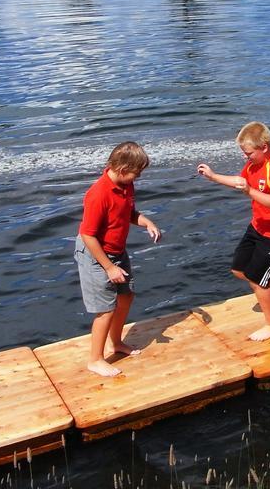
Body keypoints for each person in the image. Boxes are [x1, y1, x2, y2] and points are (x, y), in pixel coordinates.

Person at [197, 122, 270, 342]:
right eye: (244, 153)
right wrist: (214, 177)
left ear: (264, 147)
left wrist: (250, 191)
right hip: (258, 225)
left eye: (249, 153)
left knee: (257, 278)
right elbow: (240, 182)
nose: (246, 157)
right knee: (239, 269)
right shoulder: (254, 164)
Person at [75, 141, 162, 377]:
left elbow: (128, 213)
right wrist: (109, 267)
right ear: (123, 169)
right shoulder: (98, 194)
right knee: (105, 309)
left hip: (116, 251)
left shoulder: (126, 185)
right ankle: (95, 359)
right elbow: (88, 235)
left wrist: (147, 223)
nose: (139, 177)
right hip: (97, 255)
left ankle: (116, 342)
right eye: (137, 172)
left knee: (126, 296)